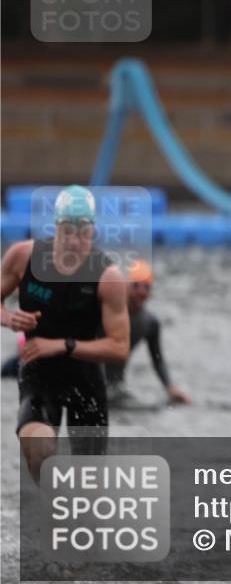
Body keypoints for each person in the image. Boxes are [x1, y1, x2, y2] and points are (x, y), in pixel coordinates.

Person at [0, 185, 129, 481]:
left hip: (86, 381)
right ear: (55, 227)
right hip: (39, 375)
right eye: (67, 230)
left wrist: (62, 345)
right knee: (39, 451)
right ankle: (53, 513)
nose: (74, 240)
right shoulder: (24, 257)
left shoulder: (107, 277)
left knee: (89, 487)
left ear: (93, 231)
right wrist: (9, 318)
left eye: (83, 232)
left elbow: (119, 347)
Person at [102, 259, 191, 406]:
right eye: (136, 285)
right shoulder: (105, 310)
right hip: (91, 383)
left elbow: (157, 359)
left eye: (147, 287)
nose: (141, 291)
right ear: (126, 285)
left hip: (116, 389)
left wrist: (170, 388)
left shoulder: (149, 323)